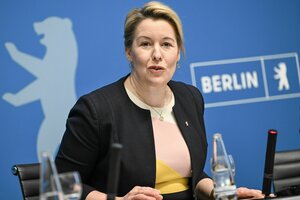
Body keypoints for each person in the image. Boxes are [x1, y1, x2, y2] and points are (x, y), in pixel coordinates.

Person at [55, 1, 265, 200]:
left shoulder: (190, 98)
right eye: (145, 44)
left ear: (178, 53)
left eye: (166, 44)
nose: (157, 54)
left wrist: (221, 194)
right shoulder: (95, 109)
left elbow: (192, 176)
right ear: (129, 51)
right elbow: (61, 185)